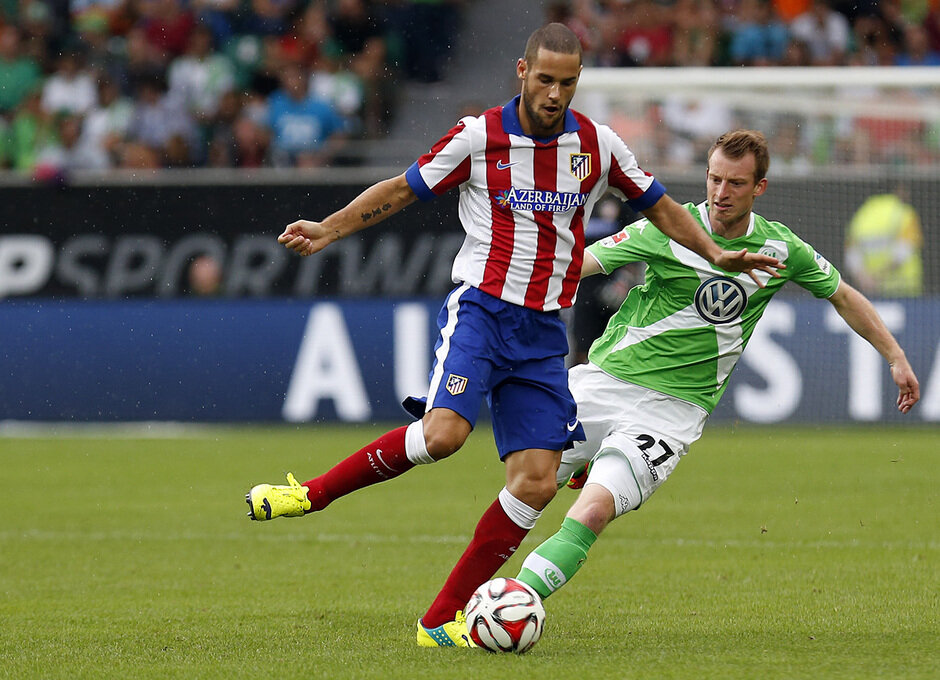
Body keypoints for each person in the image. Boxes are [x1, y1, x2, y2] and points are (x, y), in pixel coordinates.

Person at [245, 24, 779, 648]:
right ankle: (310, 494)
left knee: (536, 481)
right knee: (445, 436)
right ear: (522, 72)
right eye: (546, 79)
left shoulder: (598, 147)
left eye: (568, 82)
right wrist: (330, 229)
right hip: (483, 313)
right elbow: (402, 189)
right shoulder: (479, 137)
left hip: (542, 334)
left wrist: (715, 252)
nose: (556, 93)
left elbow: (659, 206)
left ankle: (438, 621)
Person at [513, 129, 920, 607]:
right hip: (605, 381)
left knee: (595, 509)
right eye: (714, 179)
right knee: (523, 491)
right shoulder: (667, 226)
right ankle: (455, 605)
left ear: (759, 188)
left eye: (735, 184)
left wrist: (896, 357)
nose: (720, 193)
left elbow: (843, 296)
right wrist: (509, 291)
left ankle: (515, 601)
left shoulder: (781, 250)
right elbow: (582, 264)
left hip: (673, 412)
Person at [844, 191, 924, 298]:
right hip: (905, 289)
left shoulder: (862, 215)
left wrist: (865, 279)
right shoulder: (903, 212)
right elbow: (904, 252)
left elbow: (852, 255)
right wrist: (879, 277)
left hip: (871, 291)